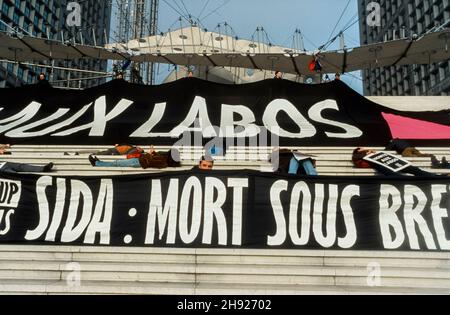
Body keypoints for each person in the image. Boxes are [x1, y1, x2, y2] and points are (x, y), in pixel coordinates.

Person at [352, 147, 446, 177]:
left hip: (393, 164)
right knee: (387, 170)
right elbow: (358, 159)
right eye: (363, 149)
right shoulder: (358, 156)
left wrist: (371, 151)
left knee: (414, 169)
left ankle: (437, 176)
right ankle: (400, 178)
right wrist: (365, 151)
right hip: (382, 166)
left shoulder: (374, 153)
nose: (367, 150)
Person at [89, 148, 181, 169]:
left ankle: (97, 163)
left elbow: (150, 161)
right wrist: (153, 152)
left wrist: (149, 154)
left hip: (138, 162)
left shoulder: (163, 162)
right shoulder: (164, 159)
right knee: (117, 162)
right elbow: (153, 158)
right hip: (138, 161)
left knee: (116, 163)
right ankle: (98, 162)